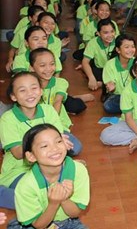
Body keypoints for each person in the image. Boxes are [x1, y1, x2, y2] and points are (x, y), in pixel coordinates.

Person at [0, 72, 73, 210]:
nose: (30, 93)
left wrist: (59, 142)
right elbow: (17, 153)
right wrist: (43, 142)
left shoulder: (48, 110)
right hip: (19, 170)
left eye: (34, 88)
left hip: (47, 164)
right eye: (22, 90)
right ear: (13, 96)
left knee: (66, 186)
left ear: (41, 91)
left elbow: (59, 140)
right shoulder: (7, 119)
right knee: (35, 200)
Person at [8, 124, 90, 229]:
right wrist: (53, 204)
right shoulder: (25, 186)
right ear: (31, 156)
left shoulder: (78, 170)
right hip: (37, 224)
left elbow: (75, 214)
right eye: (44, 146)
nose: (54, 148)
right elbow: (38, 225)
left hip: (68, 222)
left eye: (58, 141)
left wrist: (64, 199)